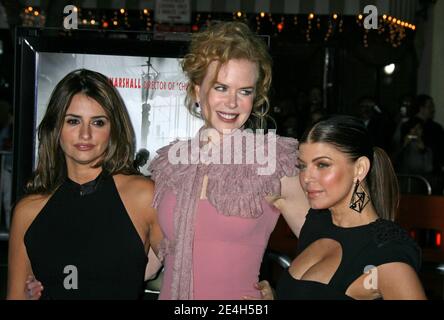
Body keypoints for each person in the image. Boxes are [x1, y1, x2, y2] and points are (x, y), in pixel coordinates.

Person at [147, 21, 308, 300]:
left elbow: (326, 245)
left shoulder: (273, 163)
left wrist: (285, 294)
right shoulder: (171, 165)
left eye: (244, 91)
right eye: (221, 87)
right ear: (197, 90)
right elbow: (150, 262)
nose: (232, 102)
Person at [7, 69, 162, 299]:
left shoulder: (144, 196)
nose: (85, 134)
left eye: (98, 122)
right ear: (55, 127)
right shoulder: (28, 211)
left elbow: (190, 280)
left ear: (113, 129)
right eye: (73, 121)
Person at [251, 115, 426, 300]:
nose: (306, 178)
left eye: (322, 164)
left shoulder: (385, 251)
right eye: (302, 166)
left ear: (359, 168)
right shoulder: (316, 223)